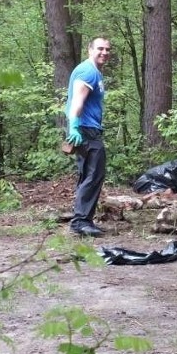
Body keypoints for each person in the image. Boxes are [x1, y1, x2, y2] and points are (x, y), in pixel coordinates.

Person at [65, 37, 111, 236]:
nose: (104, 52)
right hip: (86, 130)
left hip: (88, 129)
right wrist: (74, 127)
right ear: (89, 49)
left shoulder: (94, 72)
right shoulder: (88, 71)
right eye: (100, 48)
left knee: (88, 175)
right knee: (93, 175)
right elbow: (77, 100)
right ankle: (81, 221)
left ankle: (82, 218)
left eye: (108, 49)